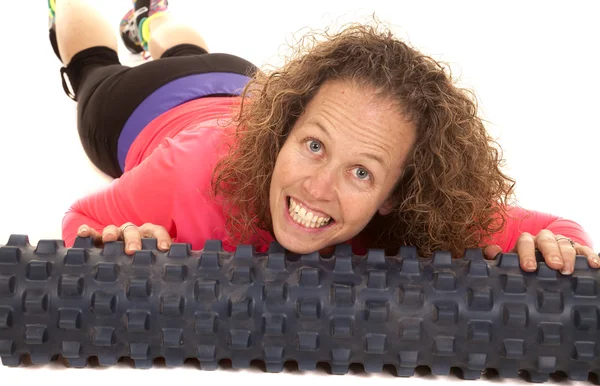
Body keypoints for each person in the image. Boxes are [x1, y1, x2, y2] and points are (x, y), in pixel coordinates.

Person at [49, 0, 598, 275]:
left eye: (362, 173)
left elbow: (558, 229)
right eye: (314, 145)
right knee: (93, 65)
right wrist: (111, 236)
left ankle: (152, 21)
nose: (317, 188)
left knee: (192, 52)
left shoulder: (419, 211)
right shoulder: (187, 177)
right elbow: (82, 219)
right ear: (283, 132)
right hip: (142, 106)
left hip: (237, 79)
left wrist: (559, 249)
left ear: (394, 194)